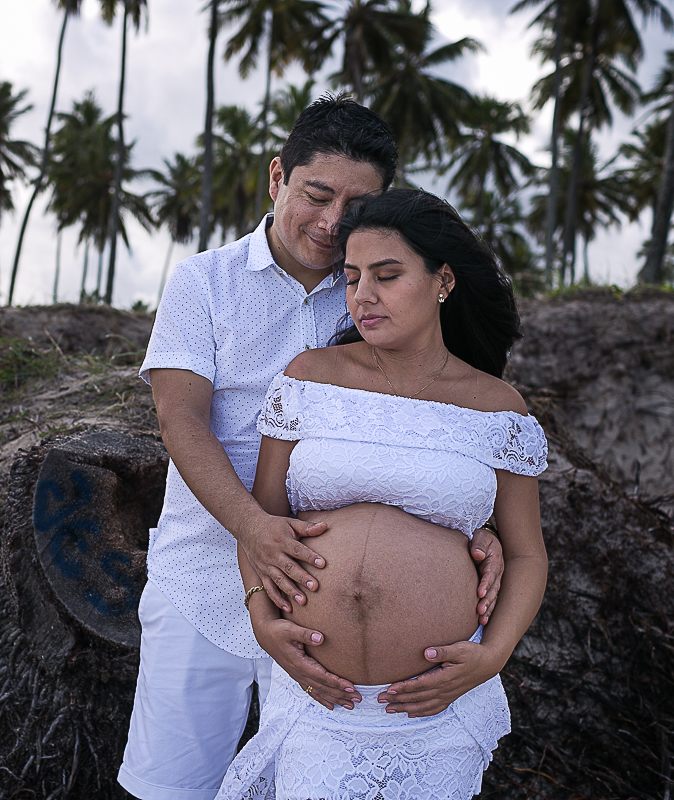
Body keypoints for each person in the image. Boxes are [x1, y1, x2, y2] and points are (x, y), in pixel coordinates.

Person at [120, 97, 508, 800]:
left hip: (318, 607)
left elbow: (441, 418)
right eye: (316, 195)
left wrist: (474, 527)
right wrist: (255, 530)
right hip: (201, 575)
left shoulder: (378, 290)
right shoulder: (202, 283)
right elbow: (182, 422)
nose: (331, 223)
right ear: (278, 179)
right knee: (170, 787)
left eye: (354, 204)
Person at [216, 188, 548, 799]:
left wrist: (493, 655)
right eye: (351, 277)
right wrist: (264, 621)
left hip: (434, 709)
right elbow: (264, 521)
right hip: (316, 694)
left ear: (442, 280)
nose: (362, 295)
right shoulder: (309, 377)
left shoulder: (497, 409)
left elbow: (527, 554)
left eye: (387, 276)